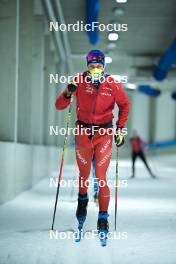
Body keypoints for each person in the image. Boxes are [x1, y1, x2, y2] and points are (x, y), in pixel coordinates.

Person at [55, 50, 130, 242]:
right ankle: (82, 203)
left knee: (101, 176)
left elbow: (125, 104)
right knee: (84, 174)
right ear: (87, 66)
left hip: (104, 134)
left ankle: (103, 217)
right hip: (82, 133)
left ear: (103, 66)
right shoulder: (79, 79)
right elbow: (59, 105)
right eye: (92, 66)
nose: (95, 69)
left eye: (98, 65)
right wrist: (67, 92)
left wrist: (120, 129)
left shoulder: (112, 83)